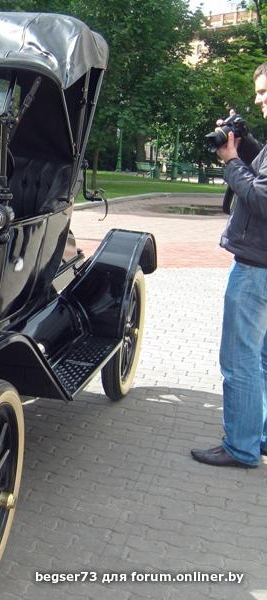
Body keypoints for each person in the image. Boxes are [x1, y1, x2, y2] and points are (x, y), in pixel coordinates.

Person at [191, 63, 267, 468]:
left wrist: (232, 159)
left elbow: (262, 198)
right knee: (262, 359)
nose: (258, 99)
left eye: (264, 92)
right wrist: (247, 141)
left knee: (240, 361)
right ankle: (259, 435)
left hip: (257, 269)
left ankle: (240, 447)